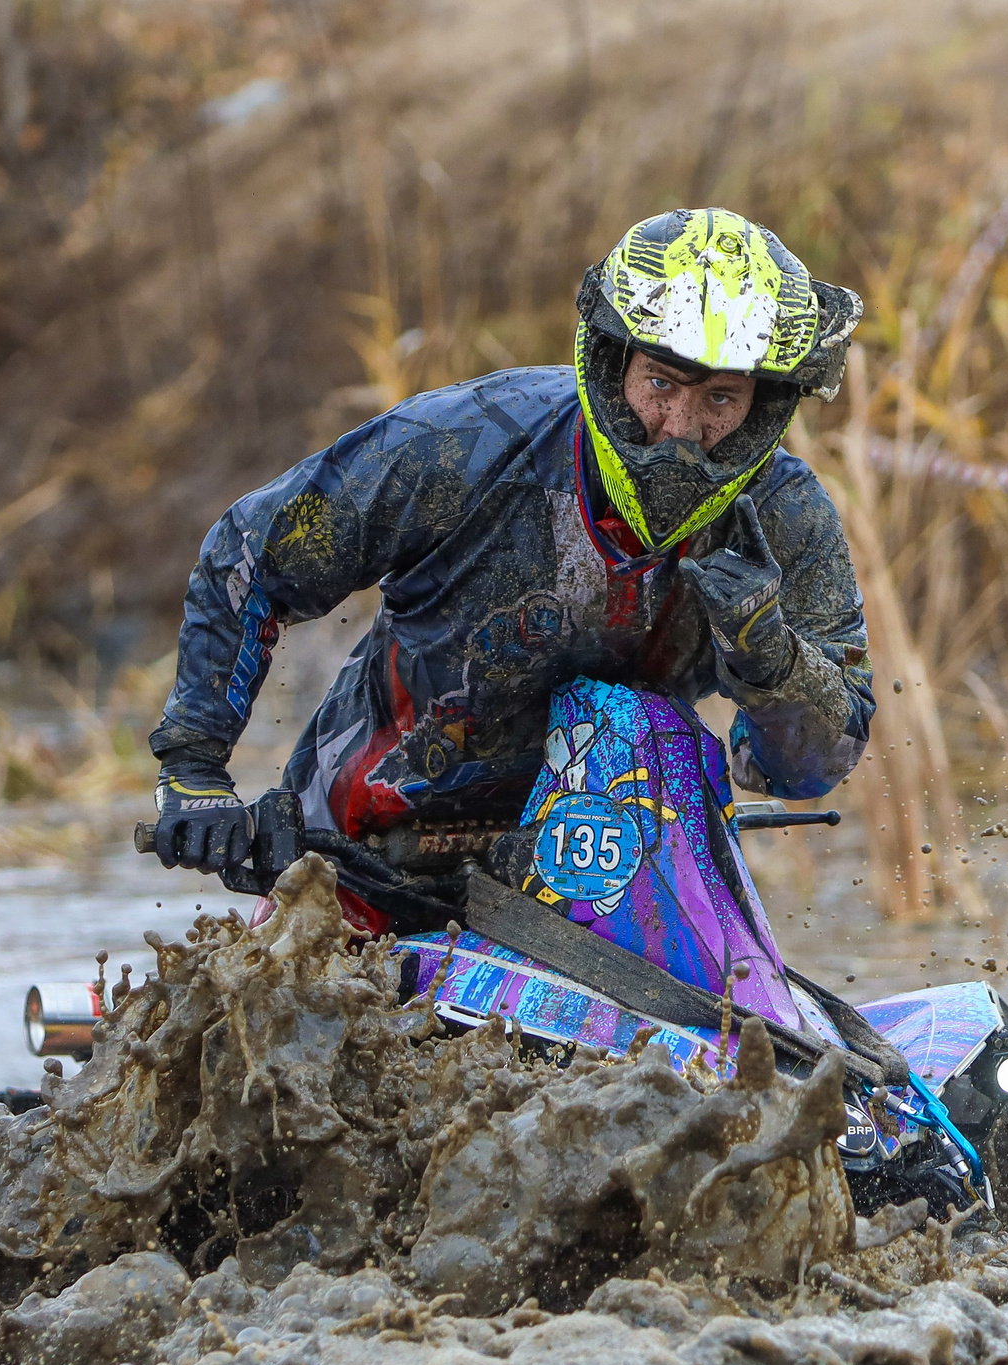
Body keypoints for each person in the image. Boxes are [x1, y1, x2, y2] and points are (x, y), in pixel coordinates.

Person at [145, 207, 877, 917]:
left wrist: (770, 659)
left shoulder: (783, 515)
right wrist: (195, 770)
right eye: (661, 384)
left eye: (723, 397)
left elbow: (804, 768)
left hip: (608, 889)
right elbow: (249, 554)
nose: (682, 431)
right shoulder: (463, 444)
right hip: (365, 858)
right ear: (613, 364)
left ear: (765, 407)